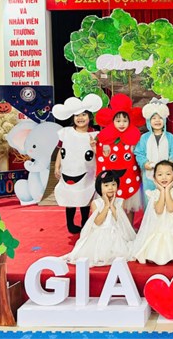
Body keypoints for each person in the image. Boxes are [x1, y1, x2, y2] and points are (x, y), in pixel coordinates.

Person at [63, 169, 136, 266]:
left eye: (113, 184)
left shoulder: (120, 201)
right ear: (99, 187)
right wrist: (106, 205)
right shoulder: (96, 203)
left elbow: (119, 220)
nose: (110, 188)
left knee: (122, 251)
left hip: (116, 232)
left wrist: (112, 205)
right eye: (106, 185)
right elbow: (98, 222)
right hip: (100, 233)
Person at [52, 94, 102, 234]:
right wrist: (57, 166)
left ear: (90, 116)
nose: (80, 118)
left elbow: (100, 154)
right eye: (77, 115)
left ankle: (85, 222)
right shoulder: (65, 132)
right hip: (69, 170)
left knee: (85, 196)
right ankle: (70, 223)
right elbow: (61, 150)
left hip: (86, 171)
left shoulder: (95, 134)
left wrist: (94, 147)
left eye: (84, 114)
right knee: (70, 196)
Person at [131, 161, 173, 265]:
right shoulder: (153, 194)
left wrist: (167, 190)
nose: (164, 177)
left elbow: (171, 208)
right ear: (154, 178)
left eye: (168, 174)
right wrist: (162, 191)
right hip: (158, 229)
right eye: (160, 174)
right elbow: (159, 210)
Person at [95, 94, 145, 225]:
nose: (121, 124)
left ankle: (129, 228)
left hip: (130, 177)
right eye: (118, 121)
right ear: (112, 121)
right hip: (113, 178)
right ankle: (115, 228)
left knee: (130, 206)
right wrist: (97, 148)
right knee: (113, 203)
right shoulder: (106, 139)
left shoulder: (135, 138)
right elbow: (100, 156)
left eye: (125, 120)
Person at [135, 98, 173, 207]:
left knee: (167, 199)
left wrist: (172, 161)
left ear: (164, 120)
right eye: (154, 118)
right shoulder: (144, 138)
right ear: (149, 121)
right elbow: (139, 153)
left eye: (160, 118)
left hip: (166, 176)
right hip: (149, 176)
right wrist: (144, 163)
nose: (157, 120)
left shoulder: (170, 137)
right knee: (150, 201)